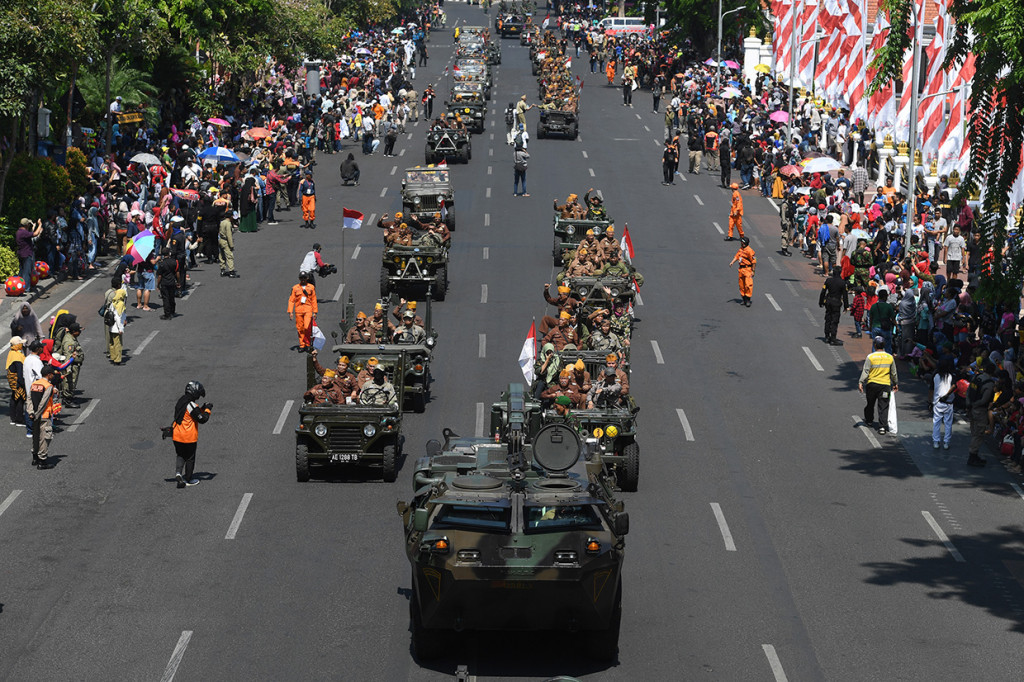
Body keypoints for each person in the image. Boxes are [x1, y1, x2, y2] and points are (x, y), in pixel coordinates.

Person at [170, 381, 212, 488]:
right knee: (190, 458)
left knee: (180, 455)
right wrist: (207, 410)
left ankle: (178, 474)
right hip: (188, 437)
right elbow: (202, 419)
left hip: (177, 435)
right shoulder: (191, 405)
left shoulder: (181, 401)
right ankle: (188, 479)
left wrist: (201, 408)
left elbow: (191, 413)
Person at [858, 336, 898, 434]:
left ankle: (869, 420)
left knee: (870, 403)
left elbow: (866, 371)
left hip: (872, 385)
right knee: (883, 406)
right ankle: (882, 427)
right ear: (884, 345)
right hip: (885, 386)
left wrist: (861, 382)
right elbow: (893, 373)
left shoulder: (870, 357)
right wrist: (895, 383)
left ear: (875, 345)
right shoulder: (890, 357)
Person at [965, 361, 995, 467]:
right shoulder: (989, 384)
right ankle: (972, 456)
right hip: (980, 410)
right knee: (978, 434)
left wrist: (969, 405)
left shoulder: (976, 378)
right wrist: (975, 405)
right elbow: (984, 400)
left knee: (974, 432)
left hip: (971, 409)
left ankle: (974, 454)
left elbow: (968, 391)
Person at [29, 365, 58, 469]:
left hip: (33, 416)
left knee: (36, 437)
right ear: (49, 375)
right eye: (52, 374)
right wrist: (38, 414)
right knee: (44, 438)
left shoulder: (34, 384)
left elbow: (29, 399)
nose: (53, 376)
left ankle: (35, 458)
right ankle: (42, 461)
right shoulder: (48, 386)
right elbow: (44, 402)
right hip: (44, 415)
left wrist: (31, 412)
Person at [818, 266, 849, 345]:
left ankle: (827, 336)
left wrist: (821, 302)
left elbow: (823, 292)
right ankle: (833, 338)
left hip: (828, 301)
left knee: (828, 319)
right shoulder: (842, 283)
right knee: (835, 321)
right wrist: (846, 306)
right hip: (836, 303)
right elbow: (845, 295)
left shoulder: (828, 281)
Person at [288, 272, 318, 353]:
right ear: (299, 278)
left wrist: (315, 312)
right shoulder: (295, 288)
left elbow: (314, 300)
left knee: (307, 327)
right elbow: (291, 300)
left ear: (307, 278)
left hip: (308, 309)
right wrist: (290, 312)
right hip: (298, 310)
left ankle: (308, 344)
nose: (303, 279)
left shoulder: (311, 287)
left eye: (304, 278)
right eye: (301, 278)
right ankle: (302, 345)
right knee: (300, 328)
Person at [932, 356, 956, 450]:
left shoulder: (936, 375)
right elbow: (954, 386)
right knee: (948, 423)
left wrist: (930, 402)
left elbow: (931, 389)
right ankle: (946, 442)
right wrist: (947, 395)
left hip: (937, 402)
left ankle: (936, 441)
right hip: (948, 402)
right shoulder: (951, 376)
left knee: (936, 422)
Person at [58, 322, 84, 404]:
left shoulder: (71, 338)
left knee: (72, 382)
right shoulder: (69, 342)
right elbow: (68, 356)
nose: (80, 332)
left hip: (74, 365)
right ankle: (67, 399)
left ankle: (70, 396)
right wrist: (68, 370)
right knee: (70, 382)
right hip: (72, 366)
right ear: (73, 332)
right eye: (78, 331)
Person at [15, 219, 43, 292]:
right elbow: (35, 234)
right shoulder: (23, 232)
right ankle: (26, 288)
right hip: (26, 254)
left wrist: (34, 227)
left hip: (21, 253)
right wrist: (40, 224)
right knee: (27, 272)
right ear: (26, 225)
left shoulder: (19, 232)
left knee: (21, 271)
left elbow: (30, 233)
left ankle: (20, 286)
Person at [104, 276, 127, 364]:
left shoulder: (110, 297)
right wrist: (121, 328)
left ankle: (112, 355)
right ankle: (117, 359)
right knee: (118, 342)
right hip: (116, 325)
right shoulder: (119, 304)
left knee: (111, 340)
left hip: (109, 319)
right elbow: (118, 317)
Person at [729, 236, 757, 307]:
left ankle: (748, 299)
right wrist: (732, 262)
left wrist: (753, 271)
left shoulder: (750, 251)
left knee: (748, 285)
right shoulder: (741, 249)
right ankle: (744, 299)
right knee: (741, 285)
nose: (741, 243)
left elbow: (754, 261)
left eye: (742, 242)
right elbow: (737, 256)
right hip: (741, 269)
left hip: (747, 269)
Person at [6, 336, 27, 427]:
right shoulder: (18, 357)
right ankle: (19, 419)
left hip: (12, 381)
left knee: (13, 398)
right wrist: (22, 383)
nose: (22, 344)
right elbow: (20, 372)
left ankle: (13, 418)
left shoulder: (11, 353)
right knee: (20, 399)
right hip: (18, 381)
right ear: (17, 345)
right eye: (20, 343)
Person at [867, 289, 896, 353]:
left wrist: (870, 327)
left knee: (875, 344)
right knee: (888, 345)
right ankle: (888, 357)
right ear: (885, 297)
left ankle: (874, 356)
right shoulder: (888, 306)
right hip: (886, 328)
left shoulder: (874, 306)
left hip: (875, 327)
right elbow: (893, 318)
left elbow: (871, 318)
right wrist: (896, 326)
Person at [156, 248, 179, 320]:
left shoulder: (161, 263)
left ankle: (167, 314)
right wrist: (178, 282)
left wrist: (158, 284)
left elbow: (159, 276)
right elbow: (177, 272)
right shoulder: (174, 261)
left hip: (164, 283)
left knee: (166, 298)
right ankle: (172, 311)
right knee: (172, 297)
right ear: (169, 253)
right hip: (172, 282)